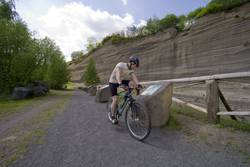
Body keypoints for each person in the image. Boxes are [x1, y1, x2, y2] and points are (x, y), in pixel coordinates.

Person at [108, 56, 141, 124]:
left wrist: (138, 85)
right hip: (113, 82)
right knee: (116, 99)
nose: (135, 67)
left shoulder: (130, 69)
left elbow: (134, 77)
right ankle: (112, 116)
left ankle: (132, 109)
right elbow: (118, 75)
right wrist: (120, 83)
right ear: (131, 63)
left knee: (131, 84)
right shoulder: (120, 65)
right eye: (135, 65)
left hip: (121, 81)